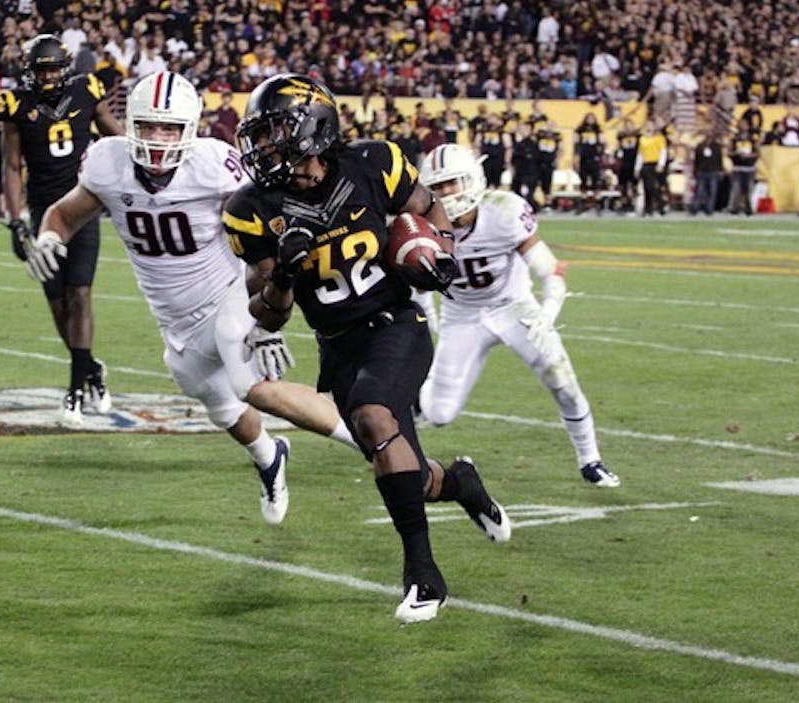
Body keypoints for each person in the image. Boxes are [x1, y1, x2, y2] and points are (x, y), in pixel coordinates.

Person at [222, 74, 510, 624]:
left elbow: (432, 211)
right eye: (259, 137)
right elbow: (268, 309)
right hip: (338, 344)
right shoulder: (251, 207)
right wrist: (283, 271)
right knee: (404, 469)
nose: (263, 149)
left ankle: (423, 576)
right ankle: (462, 484)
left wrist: (439, 255)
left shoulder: (374, 163)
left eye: (274, 133)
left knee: (375, 417)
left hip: (398, 324)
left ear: (313, 129)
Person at [25, 71, 358, 525]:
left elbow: (271, 210)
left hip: (228, 296)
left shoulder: (214, 165)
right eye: (148, 126)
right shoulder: (107, 163)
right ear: (130, 123)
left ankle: (372, 442)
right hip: (175, 321)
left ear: (190, 130)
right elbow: (64, 214)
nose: (158, 139)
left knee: (251, 386)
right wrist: (48, 238)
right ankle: (270, 456)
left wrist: (265, 313)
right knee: (219, 403)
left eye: (169, 128)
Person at [417, 143, 619, 489]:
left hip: (513, 306)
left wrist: (547, 313)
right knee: (439, 414)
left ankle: (590, 459)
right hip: (461, 315)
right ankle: (412, 404)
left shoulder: (504, 211)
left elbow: (549, 270)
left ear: (475, 180)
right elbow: (415, 278)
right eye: (437, 186)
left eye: (453, 183)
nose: (446, 193)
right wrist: (426, 310)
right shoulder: (420, 224)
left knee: (562, 381)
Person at [0, 34, 122, 425]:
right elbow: (12, 166)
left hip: (82, 204)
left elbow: (115, 137)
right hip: (43, 211)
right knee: (57, 302)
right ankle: (89, 369)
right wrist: (16, 221)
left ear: (65, 68)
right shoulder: (17, 105)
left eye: (54, 68)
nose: (49, 76)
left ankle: (74, 393)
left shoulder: (86, 90)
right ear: (30, 72)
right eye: (43, 69)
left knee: (80, 292)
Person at [635, 120, 667, 216]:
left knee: (653, 186)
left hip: (655, 163)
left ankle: (661, 204)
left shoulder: (659, 138)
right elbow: (640, 154)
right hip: (646, 164)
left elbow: (663, 151)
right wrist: (637, 167)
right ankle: (648, 208)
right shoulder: (642, 138)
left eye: (651, 125)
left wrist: (661, 164)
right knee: (646, 187)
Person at [688, 131, 723, 216]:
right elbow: (696, 159)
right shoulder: (700, 146)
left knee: (712, 191)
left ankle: (709, 209)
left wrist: (720, 170)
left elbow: (719, 159)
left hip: (713, 171)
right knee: (699, 191)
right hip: (702, 171)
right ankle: (695, 208)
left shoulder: (716, 147)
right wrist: (695, 170)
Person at [727, 120, 758, 216]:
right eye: (741, 125)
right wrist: (737, 154)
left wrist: (749, 156)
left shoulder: (752, 139)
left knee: (749, 189)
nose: (742, 127)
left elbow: (758, 153)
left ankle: (748, 208)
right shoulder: (734, 139)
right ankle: (734, 208)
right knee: (736, 189)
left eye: (744, 125)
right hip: (737, 167)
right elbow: (729, 152)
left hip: (749, 168)